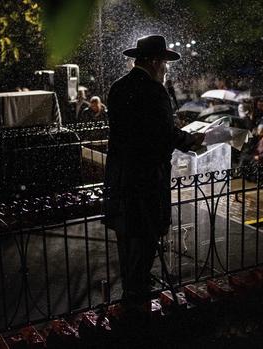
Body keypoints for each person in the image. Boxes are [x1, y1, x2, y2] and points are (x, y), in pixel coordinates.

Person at [104, 35, 204, 309]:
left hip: (120, 178)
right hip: (146, 181)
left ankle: (131, 292)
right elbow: (160, 135)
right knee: (146, 241)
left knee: (126, 242)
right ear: (154, 62)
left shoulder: (118, 87)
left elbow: (130, 132)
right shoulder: (153, 90)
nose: (166, 69)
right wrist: (190, 140)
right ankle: (139, 306)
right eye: (164, 63)